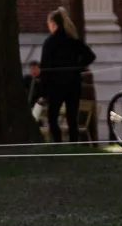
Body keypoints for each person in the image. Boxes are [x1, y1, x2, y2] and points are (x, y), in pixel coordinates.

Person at [31, 8, 96, 143]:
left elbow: (45, 67)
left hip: (56, 86)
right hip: (74, 83)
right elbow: (90, 56)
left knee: (52, 117)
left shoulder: (50, 42)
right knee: (72, 118)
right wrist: (78, 67)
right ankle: (74, 145)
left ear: (53, 23)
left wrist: (43, 91)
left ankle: (58, 144)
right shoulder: (73, 39)